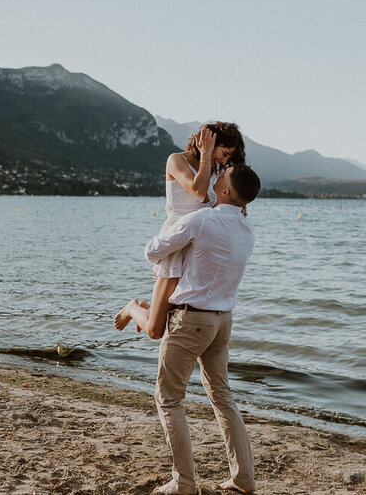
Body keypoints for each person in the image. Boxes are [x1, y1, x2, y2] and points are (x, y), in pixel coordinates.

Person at [119, 164, 262, 495]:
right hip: (222, 321)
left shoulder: (201, 220)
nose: (213, 183)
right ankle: (243, 479)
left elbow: (152, 251)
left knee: (168, 398)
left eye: (219, 180)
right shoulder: (247, 229)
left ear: (224, 192)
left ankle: (183, 482)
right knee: (223, 397)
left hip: (191, 321)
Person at [114, 122, 246, 336]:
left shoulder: (215, 170)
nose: (224, 160)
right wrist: (206, 155)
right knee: (155, 331)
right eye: (224, 153)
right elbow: (198, 190)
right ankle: (132, 308)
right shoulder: (177, 160)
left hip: (196, 251)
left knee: (183, 314)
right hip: (175, 248)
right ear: (209, 142)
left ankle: (151, 310)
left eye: (229, 158)